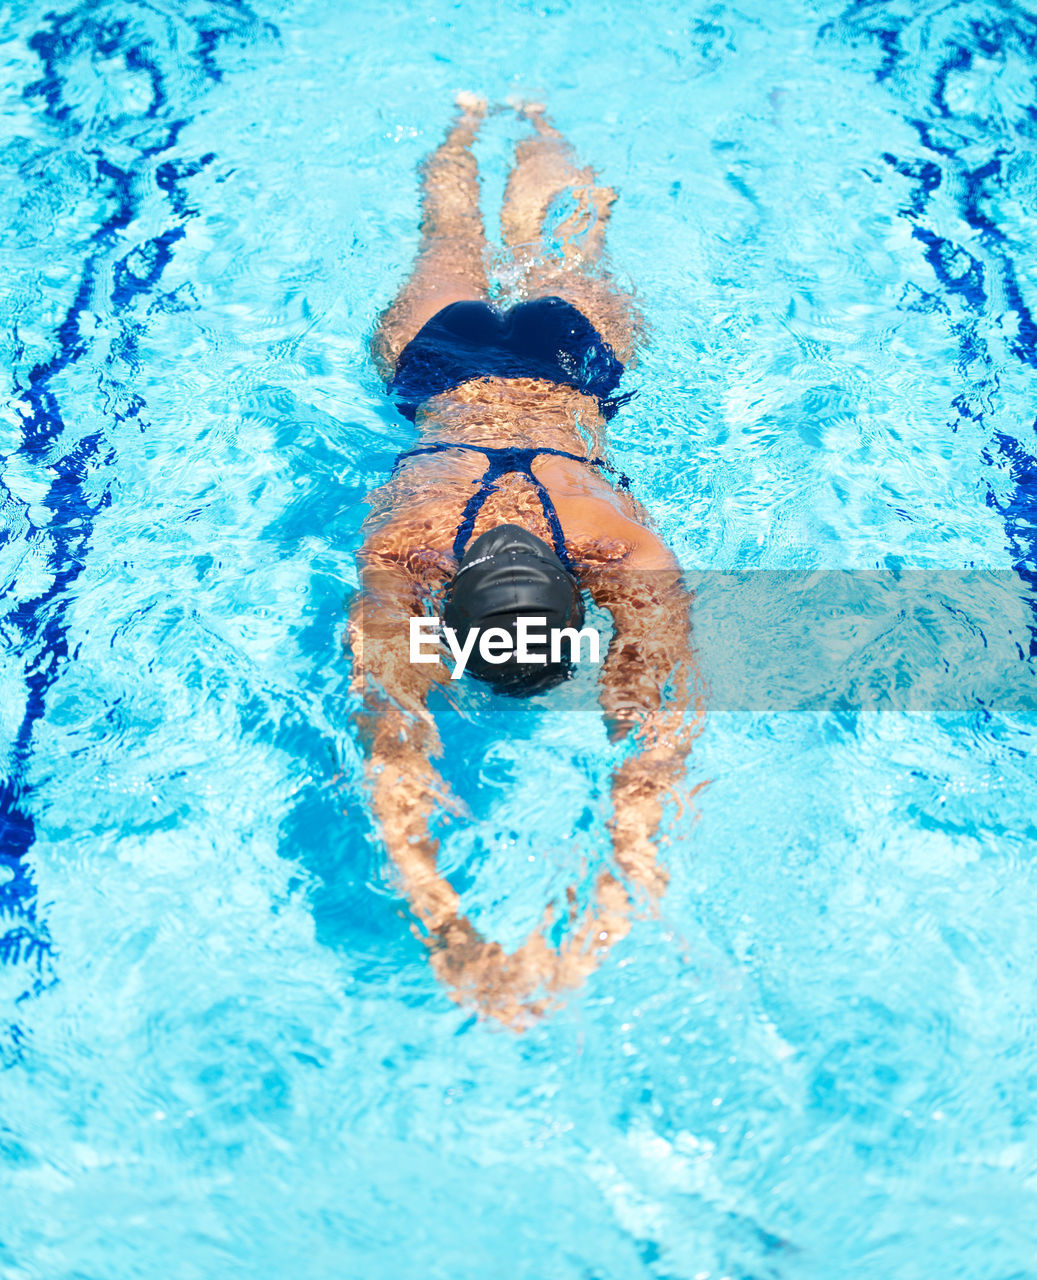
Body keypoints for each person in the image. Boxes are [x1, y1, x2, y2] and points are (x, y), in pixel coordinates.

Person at [349, 94, 702, 1027]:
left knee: (559, 241)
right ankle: (516, 121)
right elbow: (653, 751)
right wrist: (584, 932)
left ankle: (490, 122)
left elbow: (394, 750)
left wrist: (449, 929)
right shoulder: (415, 552)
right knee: (498, 235)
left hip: (563, 364)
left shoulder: (605, 551)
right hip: (438, 370)